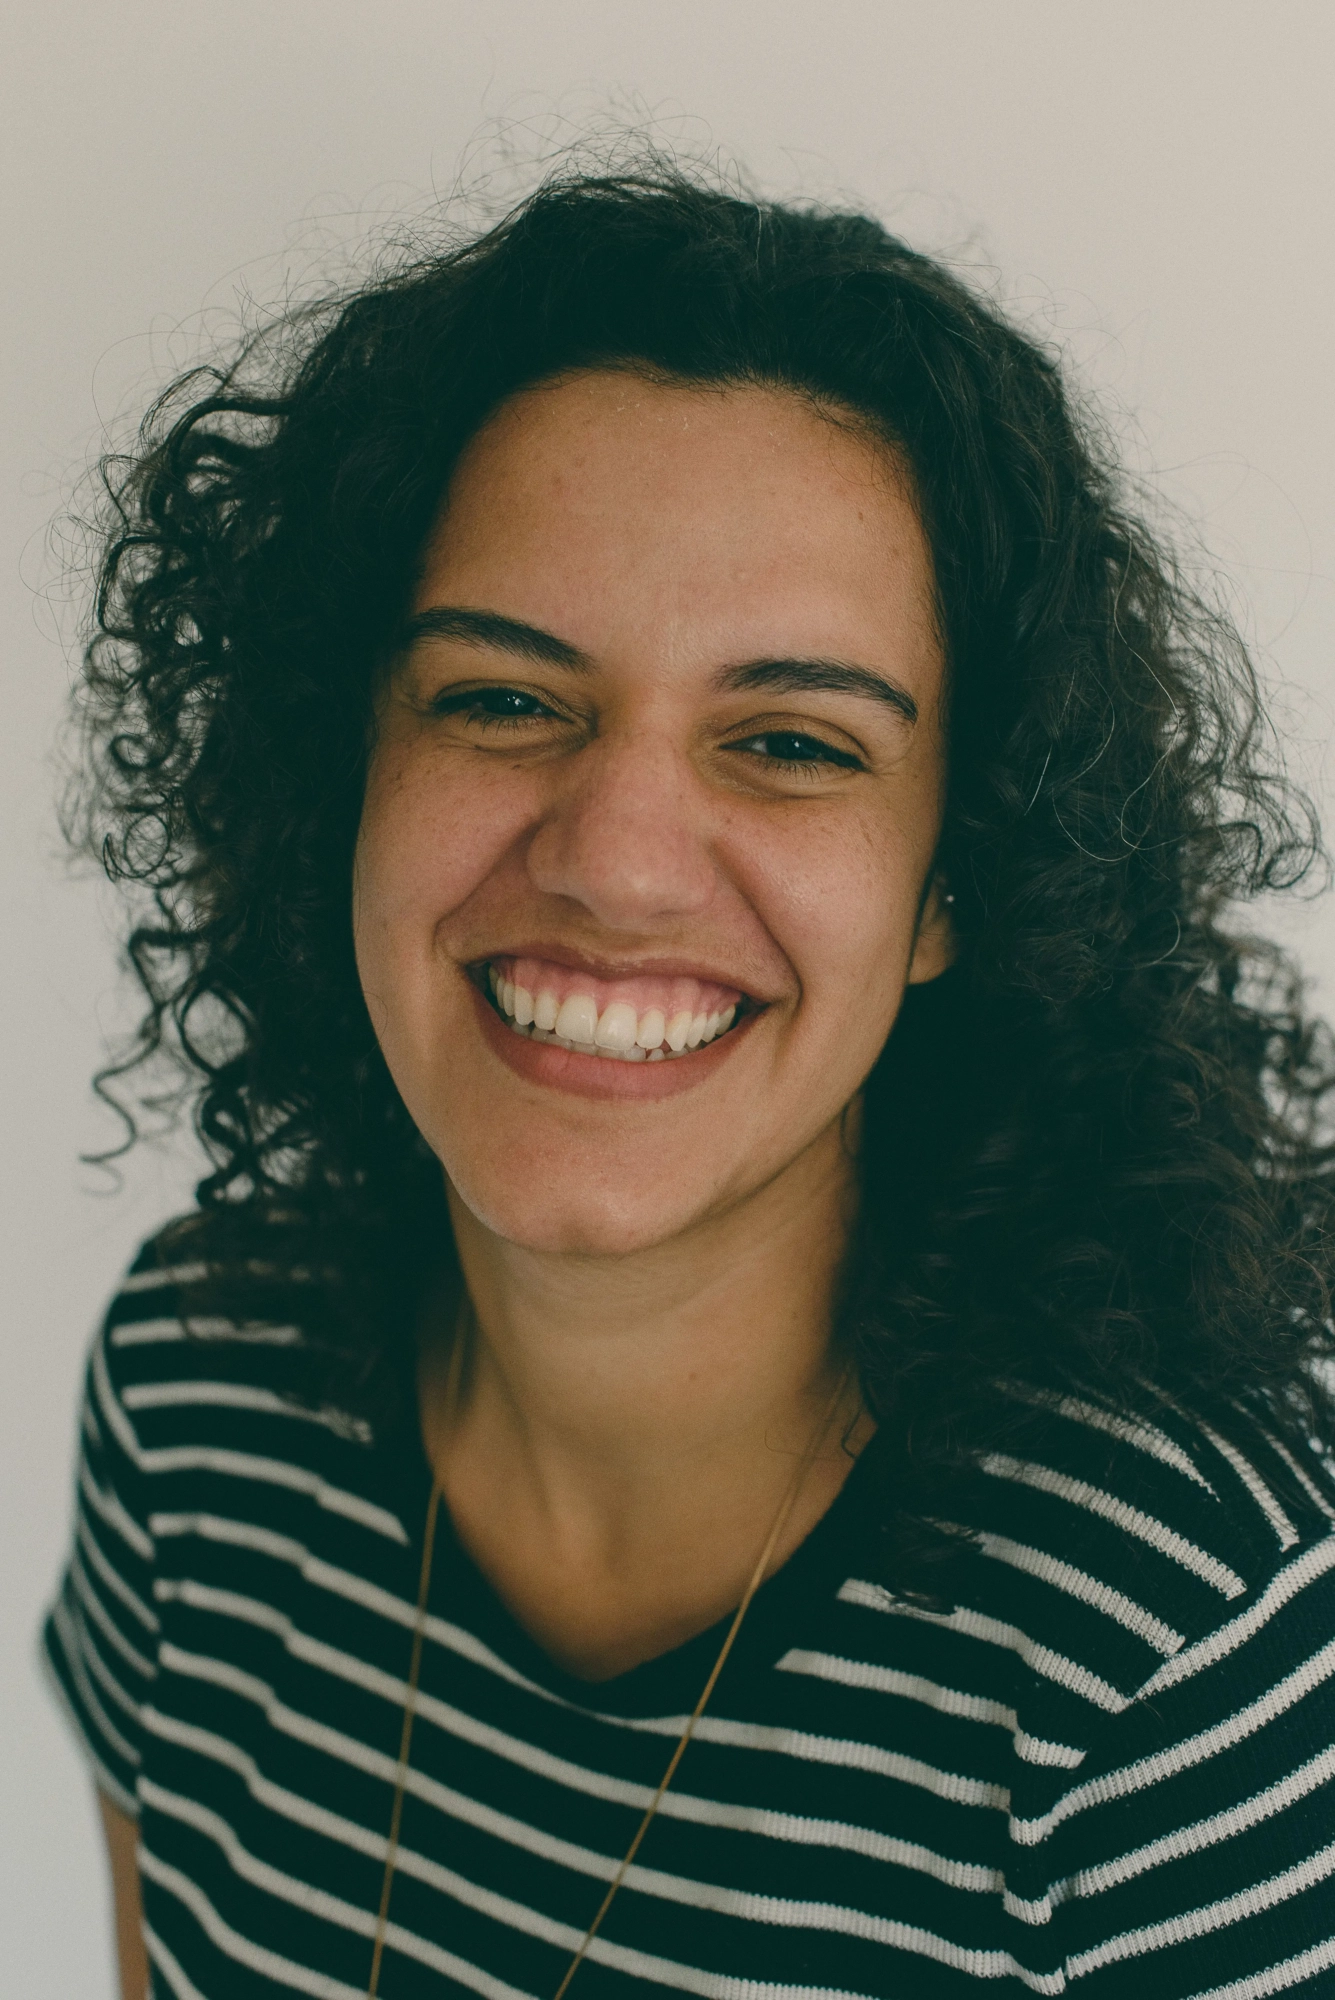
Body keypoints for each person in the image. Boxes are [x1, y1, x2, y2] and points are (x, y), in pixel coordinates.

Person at [43, 161, 1335, 2000]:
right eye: (501, 699)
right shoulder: (200, 1394)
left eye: (790, 742)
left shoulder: (1181, 1648)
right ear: (344, 775)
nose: (618, 863)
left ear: (954, 884)